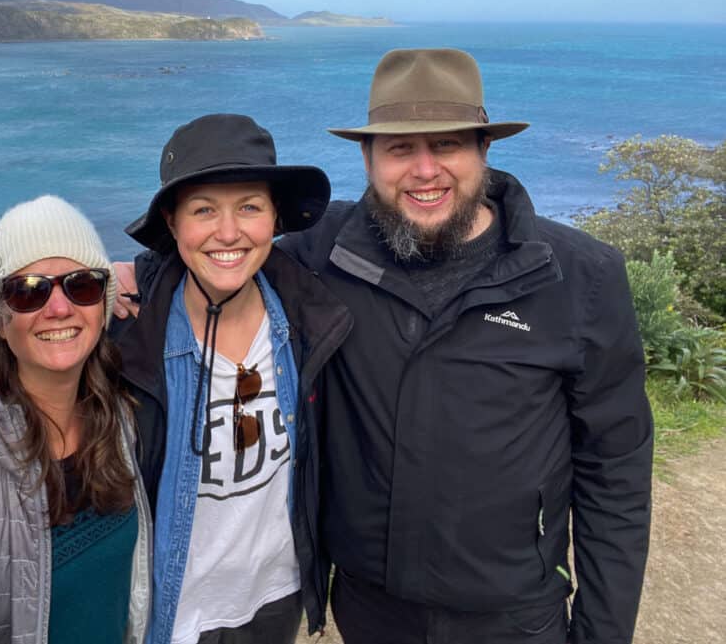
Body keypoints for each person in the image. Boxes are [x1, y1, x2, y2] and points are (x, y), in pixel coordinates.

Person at [277, 48, 653, 643]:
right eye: (400, 148)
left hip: (514, 615)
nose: (425, 171)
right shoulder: (324, 253)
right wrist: (132, 275)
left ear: (483, 150)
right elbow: (223, 245)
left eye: (447, 144)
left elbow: (617, 473)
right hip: (368, 606)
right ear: (367, 158)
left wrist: (604, 633)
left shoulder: (581, 275)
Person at [116, 114, 353, 644]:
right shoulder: (131, 342)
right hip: (176, 609)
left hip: (276, 593)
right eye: (204, 210)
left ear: (275, 219)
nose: (228, 232)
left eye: (249, 207)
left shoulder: (309, 322)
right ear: (173, 225)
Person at [0, 195, 152, 644]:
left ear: (103, 306)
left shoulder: (119, 414)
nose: (58, 308)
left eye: (82, 285)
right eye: (28, 291)